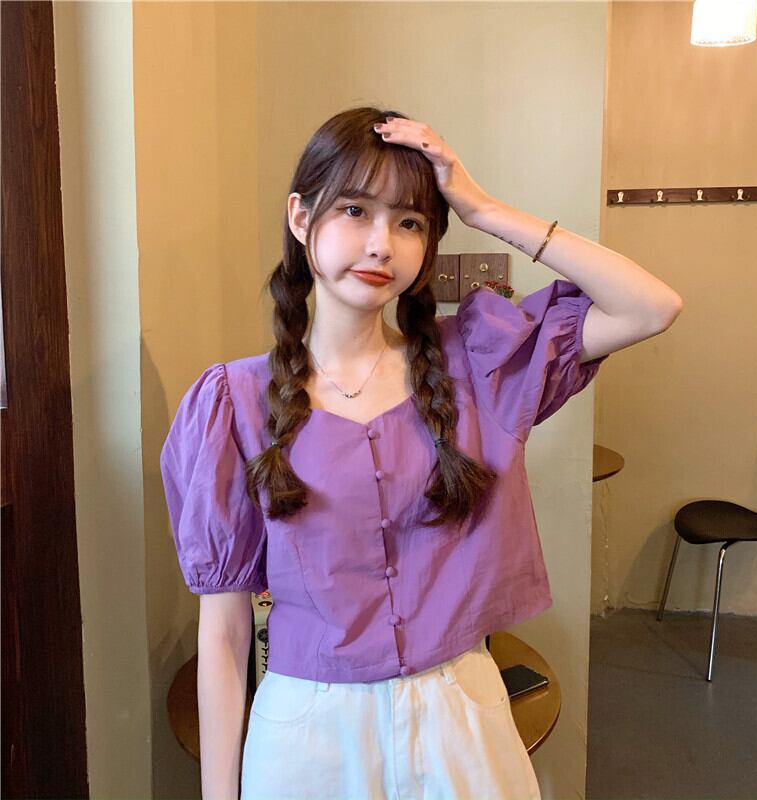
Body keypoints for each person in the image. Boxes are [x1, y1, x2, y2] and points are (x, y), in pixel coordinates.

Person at [160, 106, 682, 800]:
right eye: (354, 210)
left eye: (409, 222)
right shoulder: (233, 404)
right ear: (300, 217)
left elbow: (650, 306)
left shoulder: (477, 362)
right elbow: (224, 634)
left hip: (461, 717)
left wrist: (482, 207)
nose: (381, 245)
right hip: (308, 733)